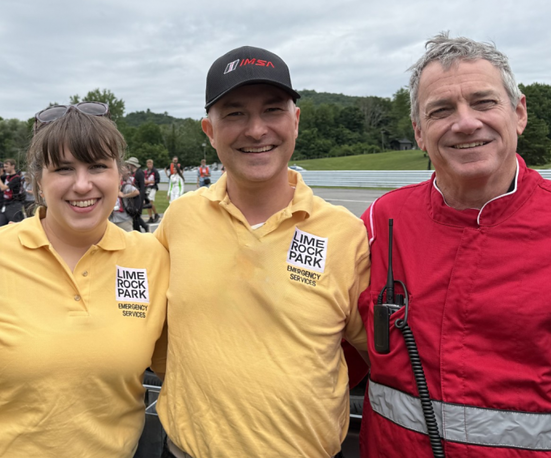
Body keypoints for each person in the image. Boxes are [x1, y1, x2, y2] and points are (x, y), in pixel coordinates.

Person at [359, 33, 551, 457]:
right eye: (441, 110)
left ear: (519, 113)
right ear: (419, 134)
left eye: (483, 102)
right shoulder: (382, 220)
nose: (465, 122)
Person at [155, 46, 370, 457]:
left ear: (296, 121)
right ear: (209, 130)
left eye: (272, 110)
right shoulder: (179, 221)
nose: (256, 130)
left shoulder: (346, 234)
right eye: (234, 113)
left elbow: (378, 356)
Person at [0, 101, 168, 457]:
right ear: (38, 181)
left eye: (98, 166)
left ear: (119, 176)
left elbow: (174, 363)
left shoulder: (152, 259)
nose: (82, 184)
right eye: (64, 169)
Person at [0, 158, 24, 226]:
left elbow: (3, 188)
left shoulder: (16, 178)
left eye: (7, 167)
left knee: (13, 225)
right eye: (4, 167)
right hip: (6, 204)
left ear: (13, 166)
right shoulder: (7, 177)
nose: (5, 168)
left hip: (14, 204)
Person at [110, 163, 140, 231]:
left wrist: (124, 195)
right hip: (111, 219)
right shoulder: (109, 188)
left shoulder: (125, 187)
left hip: (124, 219)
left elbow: (136, 192)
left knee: (129, 239)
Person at [125, 157, 149, 232]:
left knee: (136, 215)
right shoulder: (132, 173)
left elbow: (142, 187)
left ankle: (140, 230)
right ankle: (144, 227)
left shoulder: (139, 173)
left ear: (132, 165)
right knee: (135, 216)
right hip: (134, 197)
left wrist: (142, 199)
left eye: (129, 164)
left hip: (138, 197)